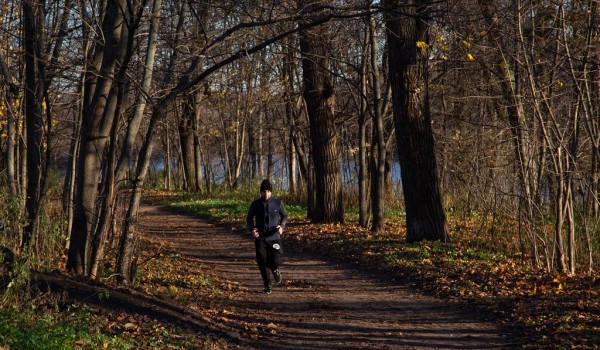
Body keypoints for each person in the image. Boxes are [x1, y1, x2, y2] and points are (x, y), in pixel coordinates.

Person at [246, 179, 288, 294]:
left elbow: (284, 215)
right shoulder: (256, 204)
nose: (266, 194)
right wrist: (252, 230)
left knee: (277, 259)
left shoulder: (278, 203)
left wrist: (282, 227)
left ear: (271, 192)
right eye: (264, 191)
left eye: (268, 191)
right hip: (261, 239)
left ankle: (275, 269)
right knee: (262, 263)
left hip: (274, 237)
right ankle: (267, 286)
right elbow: (249, 218)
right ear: (261, 192)